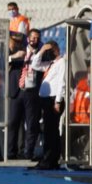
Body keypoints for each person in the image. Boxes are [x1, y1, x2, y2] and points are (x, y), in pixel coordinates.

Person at [6, 29, 43, 160]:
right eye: (32, 37)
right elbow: (3, 61)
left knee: (31, 124)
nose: (35, 40)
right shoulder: (18, 50)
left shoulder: (42, 53)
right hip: (17, 91)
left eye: (37, 38)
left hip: (31, 92)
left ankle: (28, 152)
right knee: (13, 123)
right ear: (28, 38)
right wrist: (15, 56)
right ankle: (11, 152)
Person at [30, 41, 66, 170]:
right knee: (48, 130)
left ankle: (50, 159)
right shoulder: (50, 64)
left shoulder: (61, 63)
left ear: (56, 50)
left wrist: (58, 101)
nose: (47, 53)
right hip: (46, 100)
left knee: (51, 131)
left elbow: (62, 81)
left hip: (54, 100)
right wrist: (41, 51)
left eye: (49, 51)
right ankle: (49, 158)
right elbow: (35, 65)